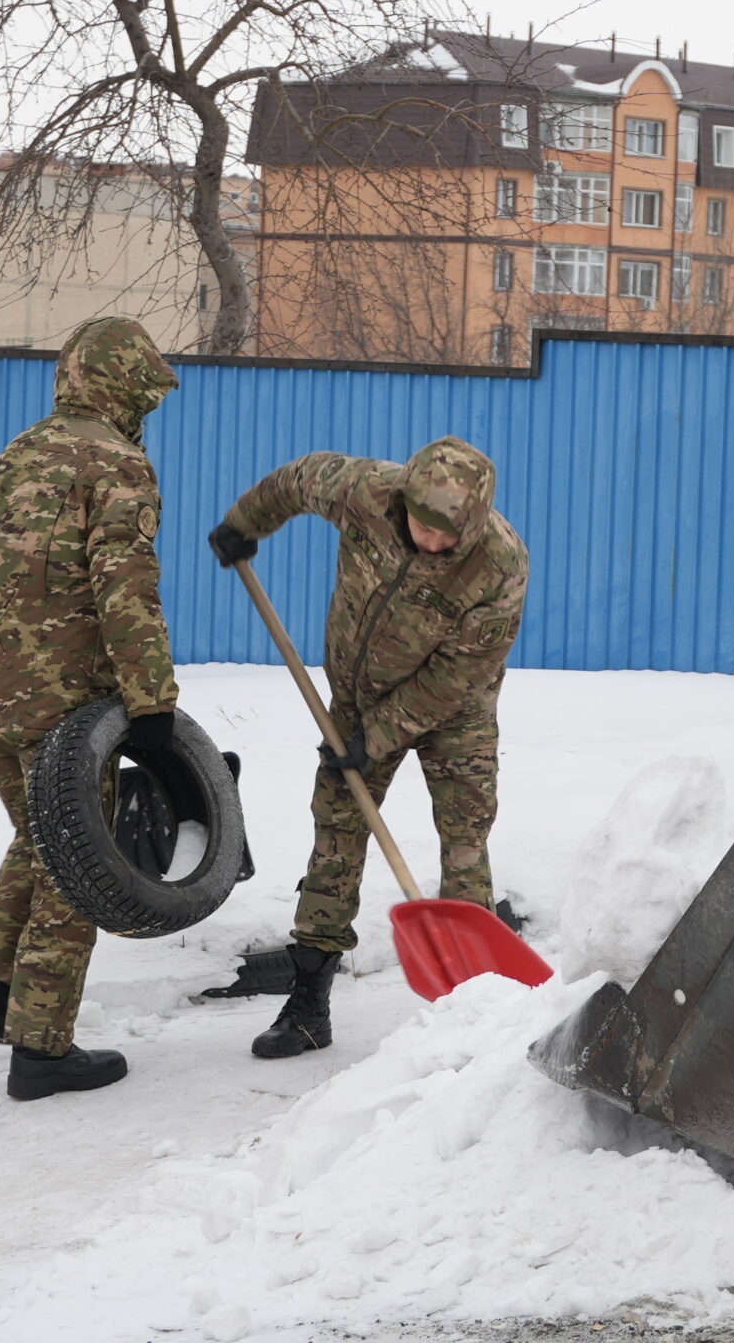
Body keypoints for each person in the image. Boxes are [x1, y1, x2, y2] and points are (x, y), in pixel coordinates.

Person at [207, 436, 527, 1058]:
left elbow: (459, 674)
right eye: (423, 526)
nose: (432, 542)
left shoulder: (500, 563)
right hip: (357, 695)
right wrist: (245, 523)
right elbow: (297, 480)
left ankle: (475, 1004)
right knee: (337, 830)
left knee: (464, 838)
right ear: (404, 499)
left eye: (448, 536)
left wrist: (376, 739)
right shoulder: (365, 491)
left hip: (454, 710)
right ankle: (308, 1006)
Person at [0, 316, 180, 1101]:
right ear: (125, 386)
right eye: (145, 393)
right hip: (67, 710)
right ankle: (42, 1051)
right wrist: (153, 707)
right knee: (75, 870)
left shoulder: (4, 463)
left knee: (37, 838)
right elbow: (126, 592)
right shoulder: (116, 466)